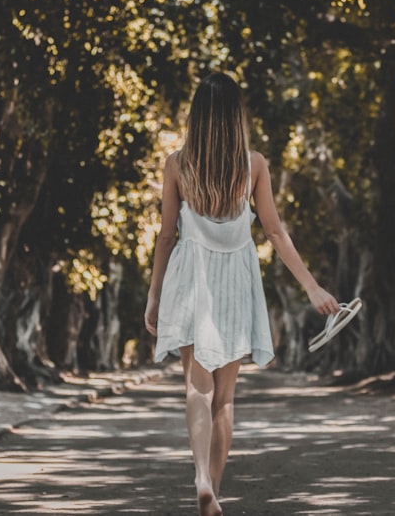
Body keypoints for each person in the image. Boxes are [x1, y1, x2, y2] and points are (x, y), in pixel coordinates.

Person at [144, 72, 339, 516]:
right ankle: (214, 486)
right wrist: (312, 287)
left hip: (190, 278)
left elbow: (166, 237)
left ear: (196, 116)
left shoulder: (178, 164)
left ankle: (199, 479)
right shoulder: (253, 165)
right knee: (225, 398)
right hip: (235, 282)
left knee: (198, 388)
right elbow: (274, 232)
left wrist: (155, 294)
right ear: (237, 116)